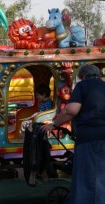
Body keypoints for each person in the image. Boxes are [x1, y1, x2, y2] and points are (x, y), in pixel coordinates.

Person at [42, 64, 105, 204]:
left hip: (90, 139)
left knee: (87, 177)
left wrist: (55, 124)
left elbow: (71, 110)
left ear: (82, 76)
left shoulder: (83, 86)